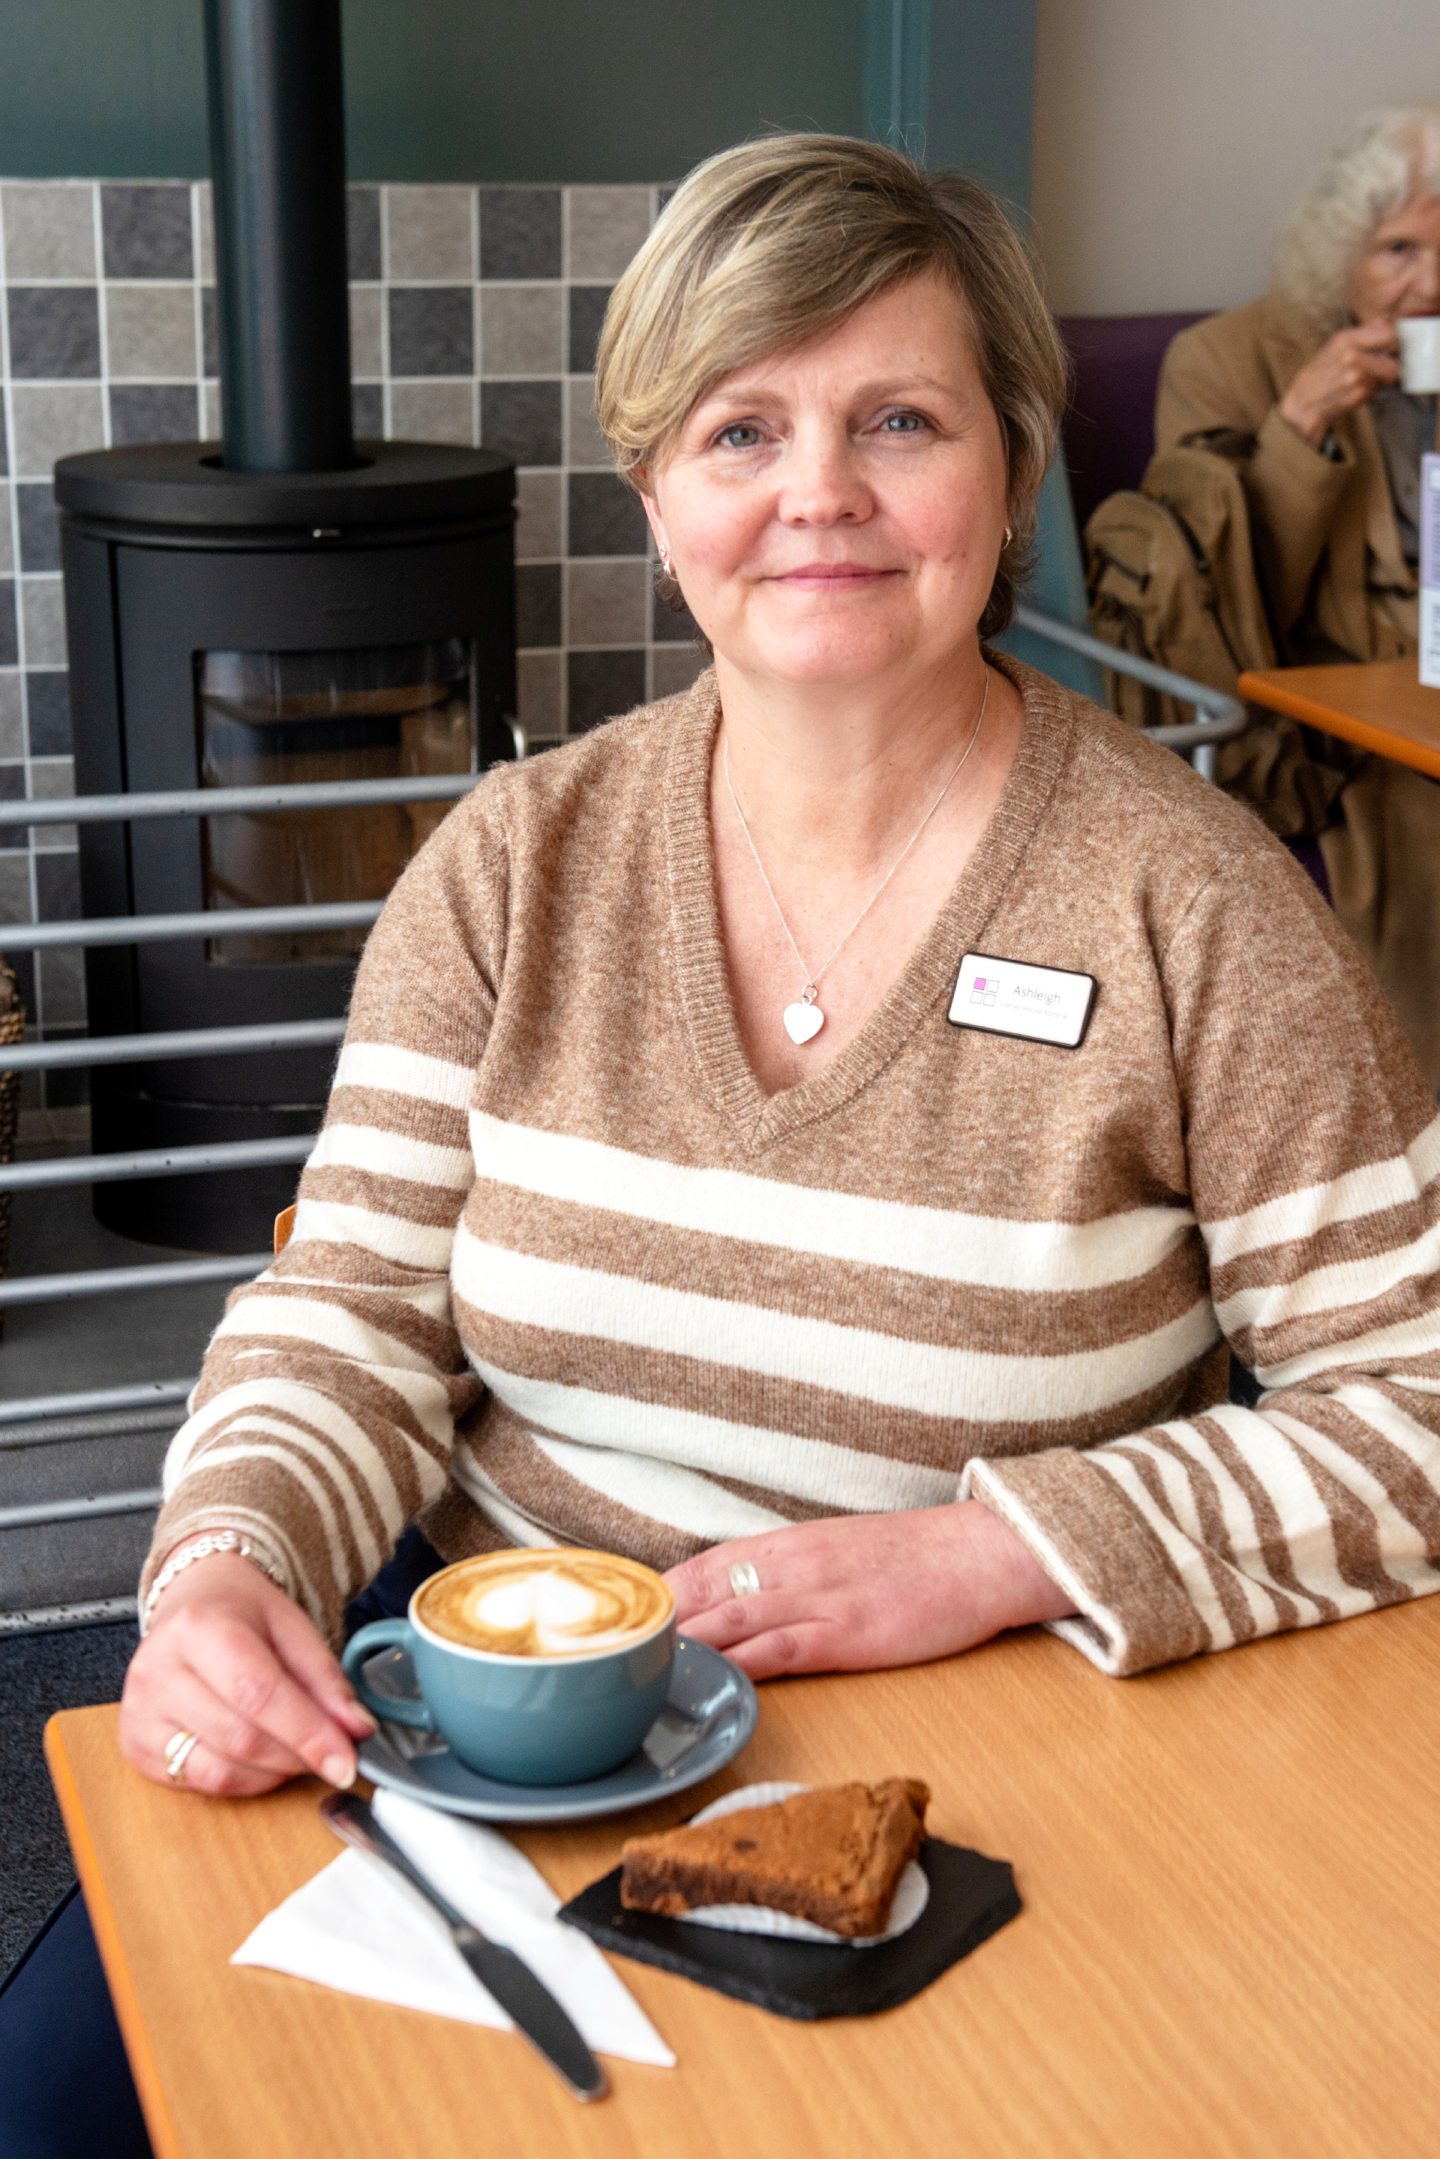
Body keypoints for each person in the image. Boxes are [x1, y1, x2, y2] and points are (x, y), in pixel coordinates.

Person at [10, 130, 1440, 2156]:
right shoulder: (511, 863)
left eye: (900, 419)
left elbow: (1420, 1398)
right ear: (656, 486)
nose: (820, 494)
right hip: (493, 1724)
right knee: (74, 2101)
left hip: (1003, 1762)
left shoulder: (1193, 909)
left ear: (1013, 472)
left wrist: (994, 1551)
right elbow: (346, 1312)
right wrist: (225, 1563)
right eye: (742, 426)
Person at [1156, 106, 1440, 1084]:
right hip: (1334, 704)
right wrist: (1302, 423)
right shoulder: (1222, 361)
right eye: (1400, 249)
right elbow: (1223, 593)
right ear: (1339, 252)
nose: (1430, 286)